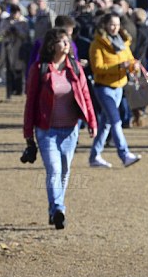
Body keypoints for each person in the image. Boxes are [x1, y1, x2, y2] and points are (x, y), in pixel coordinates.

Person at [23, 28, 97, 229]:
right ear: (51, 45)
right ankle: (58, 209)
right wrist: (28, 133)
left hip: (70, 129)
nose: (66, 44)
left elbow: (85, 96)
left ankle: (54, 209)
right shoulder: (40, 68)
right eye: (61, 41)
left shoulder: (75, 67)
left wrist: (91, 121)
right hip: (46, 129)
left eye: (67, 41)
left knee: (65, 170)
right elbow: (30, 102)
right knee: (54, 170)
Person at [88, 12, 142, 168]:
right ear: (104, 25)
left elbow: (129, 60)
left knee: (106, 124)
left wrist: (133, 66)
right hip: (104, 88)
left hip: (120, 87)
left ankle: (94, 156)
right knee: (116, 121)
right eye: (112, 24)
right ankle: (124, 155)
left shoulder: (122, 42)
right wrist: (119, 66)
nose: (115, 27)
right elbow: (97, 68)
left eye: (117, 25)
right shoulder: (97, 44)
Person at [0, 3, 29, 99]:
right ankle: (9, 91)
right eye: (12, 12)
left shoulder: (24, 22)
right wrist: (7, 31)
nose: (14, 15)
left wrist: (17, 31)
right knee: (9, 69)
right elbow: (0, 32)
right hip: (8, 48)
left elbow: (26, 35)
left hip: (19, 49)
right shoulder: (6, 21)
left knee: (19, 69)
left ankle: (19, 90)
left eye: (16, 13)